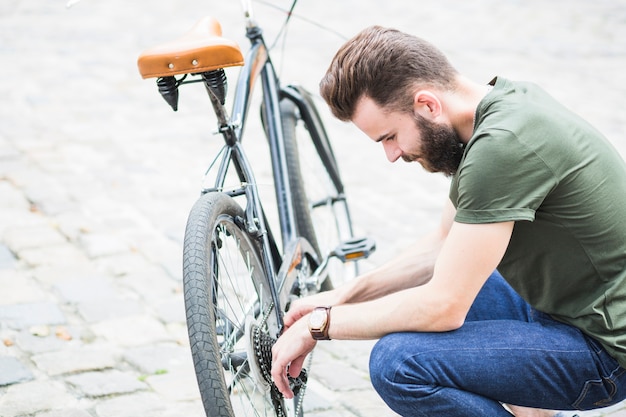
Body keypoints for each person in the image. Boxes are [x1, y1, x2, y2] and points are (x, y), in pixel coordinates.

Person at [270, 25, 626, 417]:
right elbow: (444, 242)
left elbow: (443, 306)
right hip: (566, 307)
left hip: (606, 351)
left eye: (390, 137)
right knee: (451, 278)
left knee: (399, 363)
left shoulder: (502, 147)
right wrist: (345, 295)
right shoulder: (499, 107)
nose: (392, 155)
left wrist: (321, 325)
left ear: (427, 104)